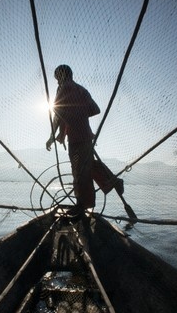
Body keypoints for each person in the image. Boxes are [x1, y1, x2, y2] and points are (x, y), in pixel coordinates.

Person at [46, 65, 124, 216]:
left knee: (79, 172)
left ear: (62, 75)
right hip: (85, 136)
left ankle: (81, 205)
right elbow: (95, 109)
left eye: (57, 78)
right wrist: (79, 113)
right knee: (87, 167)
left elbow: (57, 113)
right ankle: (114, 181)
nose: (57, 82)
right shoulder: (82, 90)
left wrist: (51, 136)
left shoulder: (63, 88)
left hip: (76, 137)